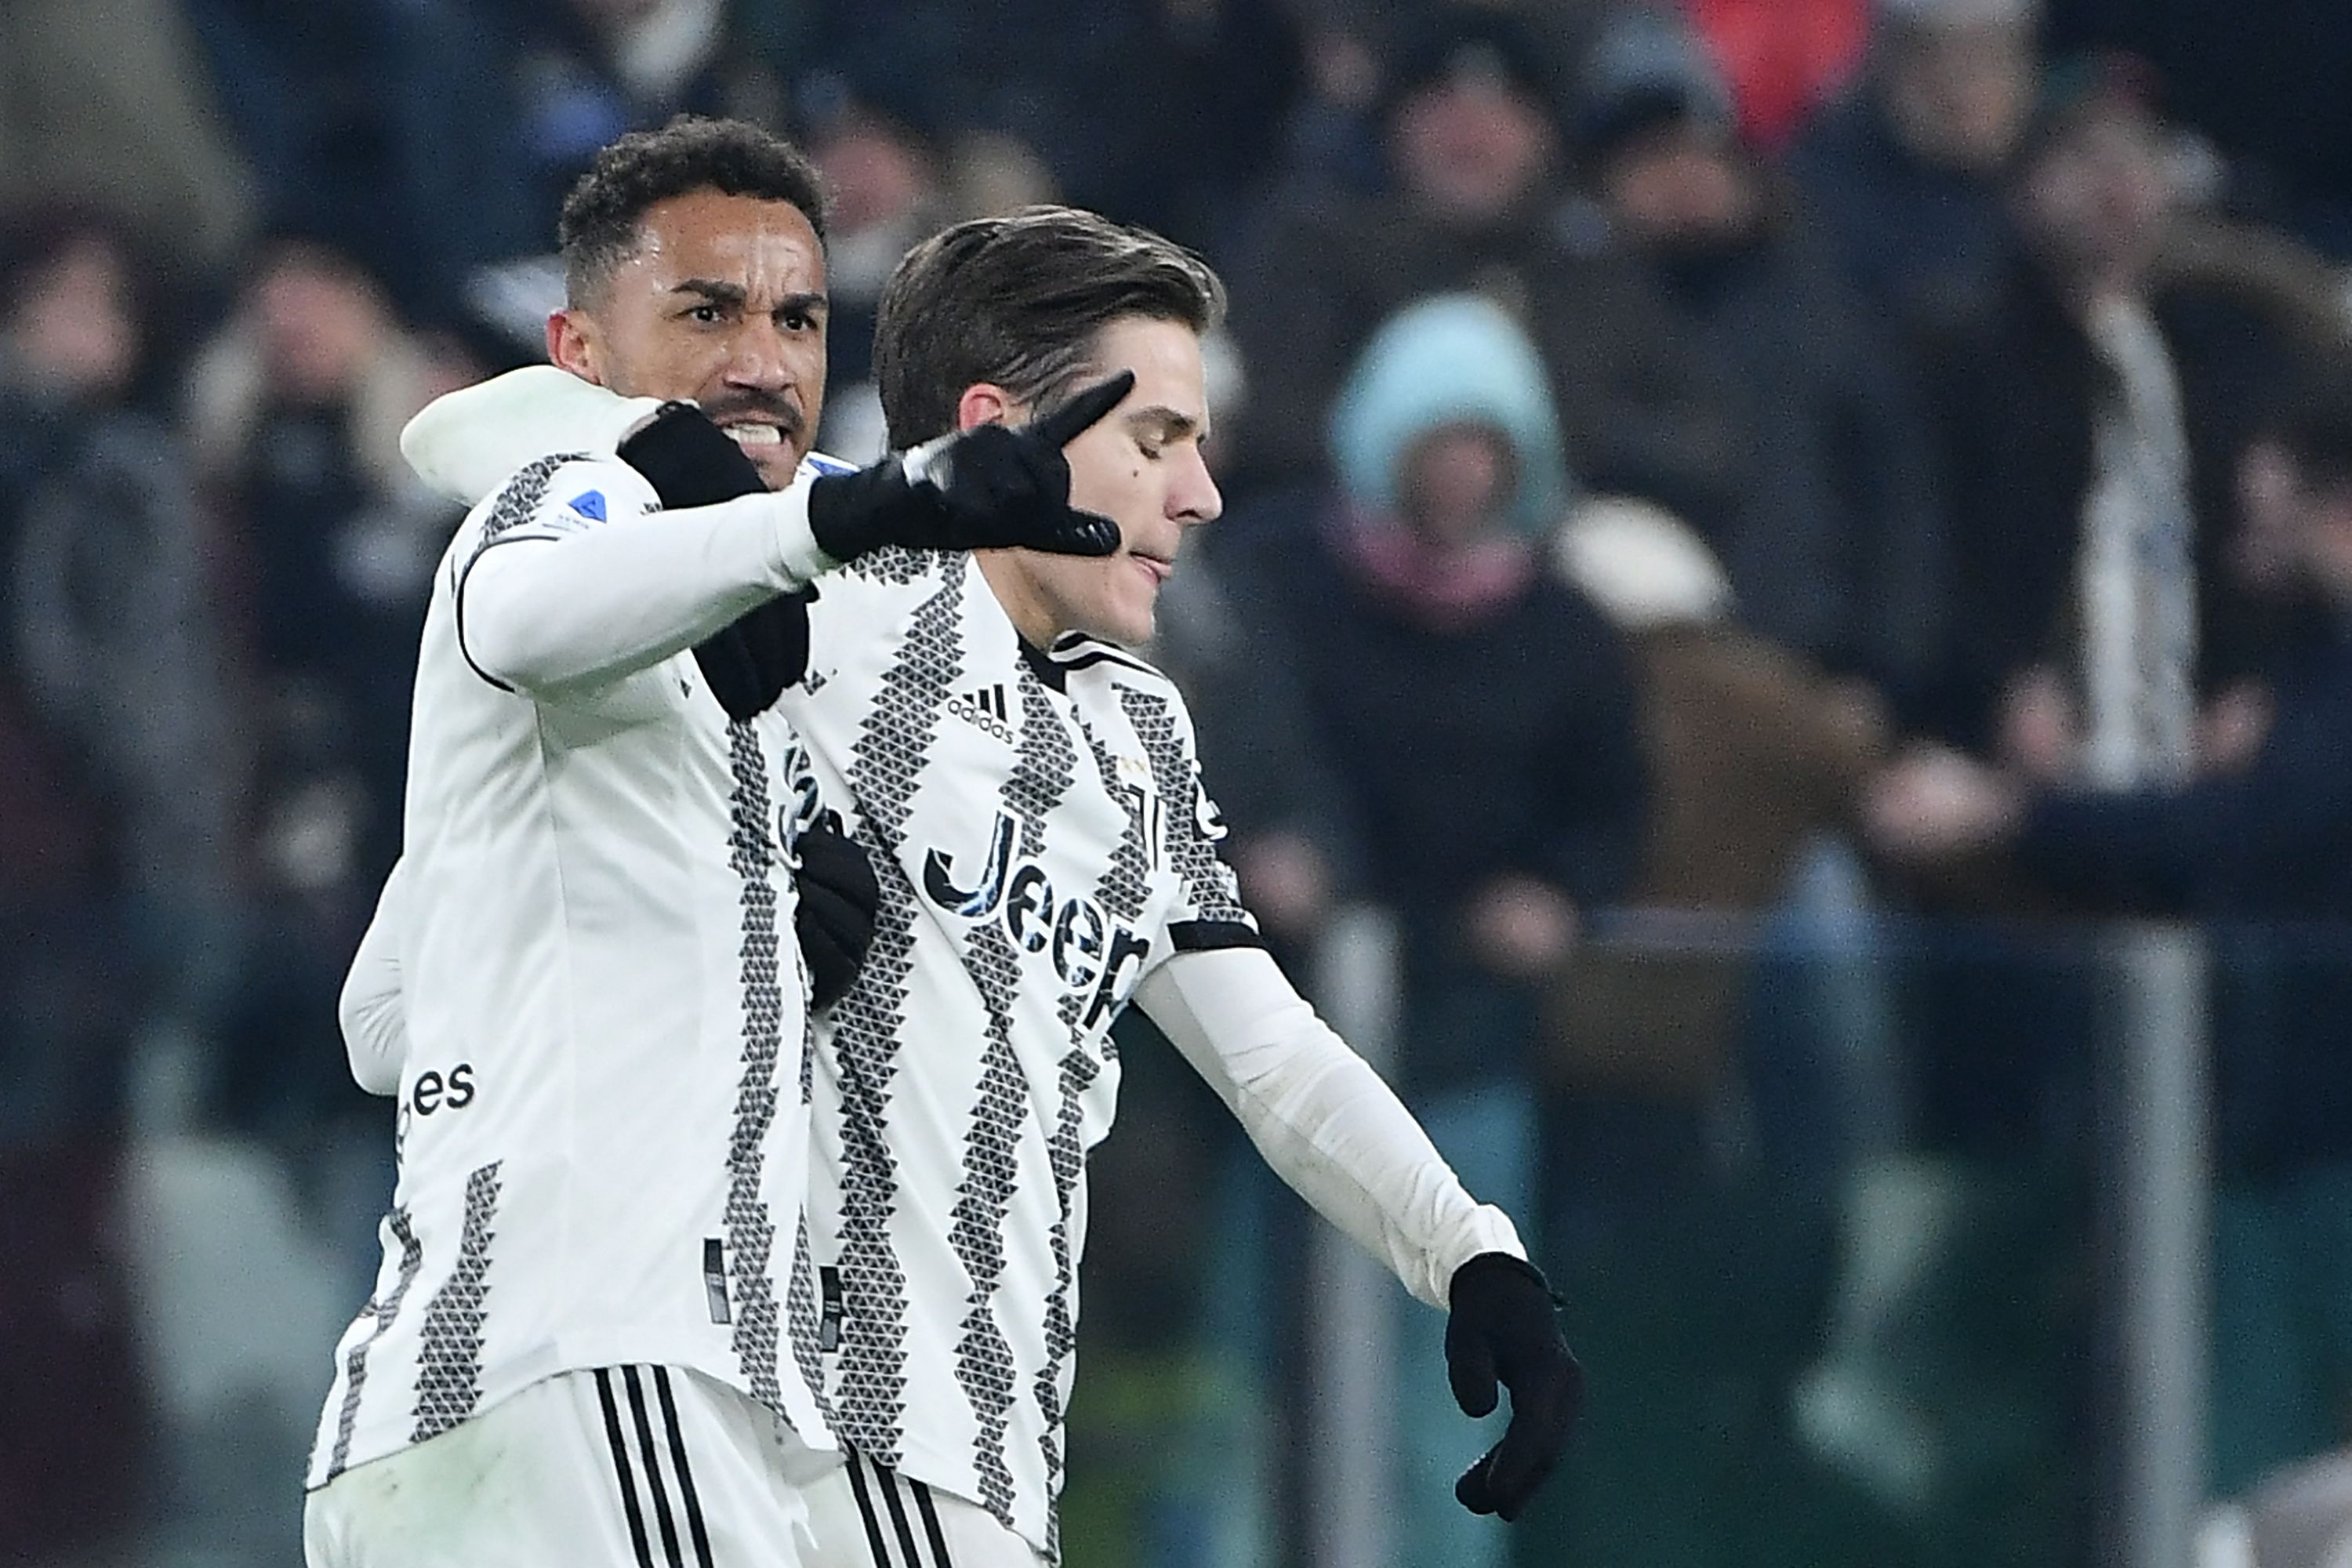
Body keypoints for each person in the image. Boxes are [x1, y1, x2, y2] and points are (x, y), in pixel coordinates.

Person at [397, 203, 1583, 1566]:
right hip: (777, 1443)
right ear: (994, 430)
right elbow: (444, 903)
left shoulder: (1135, 727)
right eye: (1157, 441)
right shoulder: (802, 598)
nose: (1198, 494)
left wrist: (1473, 1256)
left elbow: (1275, 1061)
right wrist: (625, 445)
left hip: (990, 1466)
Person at [301, 117, 1126, 1568]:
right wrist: (870, 508)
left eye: (798, 317)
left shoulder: (715, 643)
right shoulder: (581, 491)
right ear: (578, 350)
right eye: (706, 311)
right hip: (610, 1377)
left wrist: (728, 928)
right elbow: (527, 610)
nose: (764, 359)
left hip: (445, 1407)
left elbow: (383, 1022)